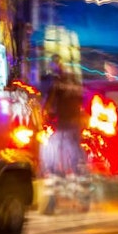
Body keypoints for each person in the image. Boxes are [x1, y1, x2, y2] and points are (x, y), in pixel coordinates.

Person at [39, 57, 90, 215]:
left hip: (62, 128)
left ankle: (51, 205)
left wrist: (44, 116)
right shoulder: (75, 84)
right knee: (77, 164)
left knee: (52, 163)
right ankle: (83, 201)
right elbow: (83, 104)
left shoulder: (57, 84)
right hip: (75, 128)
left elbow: (47, 106)